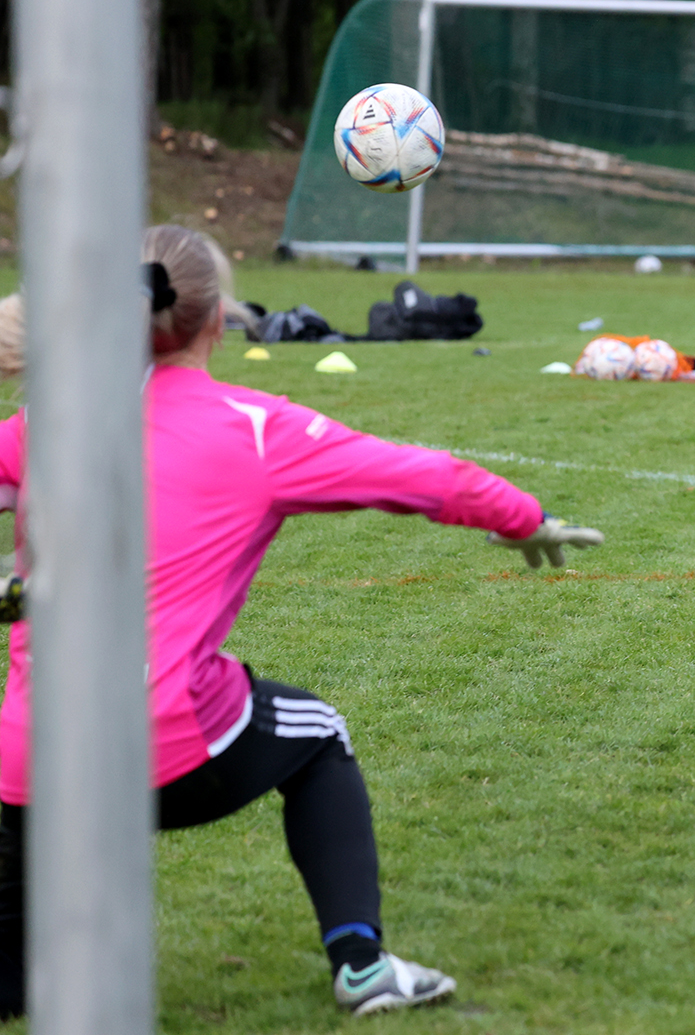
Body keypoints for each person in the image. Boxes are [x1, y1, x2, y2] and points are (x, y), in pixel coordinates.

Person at [0, 226, 603, 1019]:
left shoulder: (54, 421)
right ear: (218, 321)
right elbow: (423, 475)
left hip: (30, 763)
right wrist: (525, 518)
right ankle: (362, 964)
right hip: (166, 747)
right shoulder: (256, 429)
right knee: (318, 737)